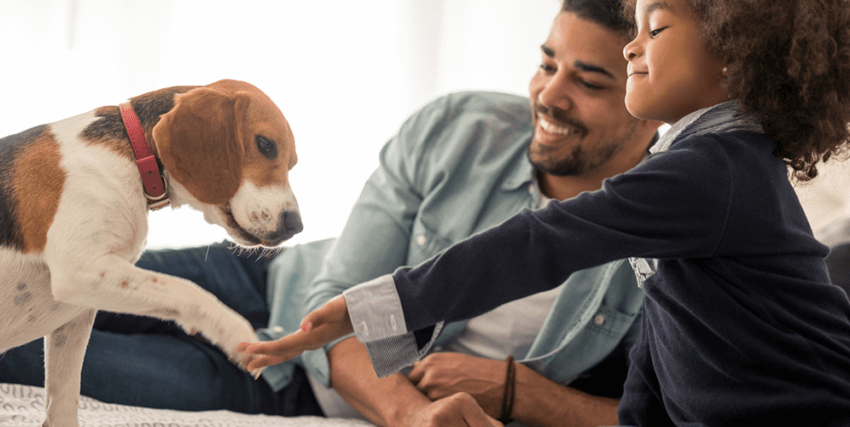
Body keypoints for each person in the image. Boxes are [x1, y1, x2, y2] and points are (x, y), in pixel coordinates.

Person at [0, 0, 662, 425]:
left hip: (290, 387)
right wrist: (412, 414)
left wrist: (520, 393)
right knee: (21, 279)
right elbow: (340, 297)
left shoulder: (672, 227)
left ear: (645, 97)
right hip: (269, 280)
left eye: (589, 81)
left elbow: (667, 413)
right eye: (546, 63)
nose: (548, 95)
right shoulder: (458, 129)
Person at [244, 0, 850, 425]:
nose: (633, 44)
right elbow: (663, 345)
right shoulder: (698, 164)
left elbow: (540, 243)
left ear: (732, 54)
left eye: (655, 28)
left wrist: (374, 307)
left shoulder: (716, 169)